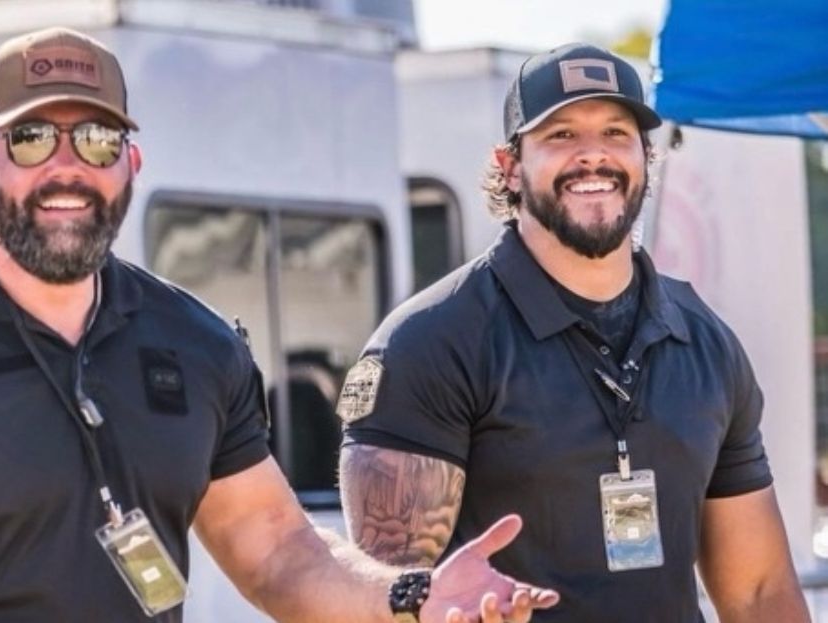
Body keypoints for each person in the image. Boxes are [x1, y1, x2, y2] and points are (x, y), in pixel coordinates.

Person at [0, 27, 559, 623]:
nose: (68, 165)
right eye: (33, 137)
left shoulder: (197, 344)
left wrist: (415, 593)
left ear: (131, 166)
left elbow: (281, 553)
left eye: (99, 137)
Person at [337, 42, 810, 622]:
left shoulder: (706, 341)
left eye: (616, 132)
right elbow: (385, 598)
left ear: (644, 156)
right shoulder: (431, 341)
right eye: (560, 135)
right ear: (510, 166)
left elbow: (760, 592)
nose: (594, 156)